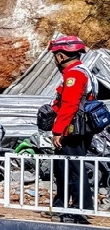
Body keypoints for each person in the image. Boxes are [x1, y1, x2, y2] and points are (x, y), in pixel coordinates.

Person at [49, 35, 95, 212]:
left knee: (74, 169)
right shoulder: (81, 71)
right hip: (75, 129)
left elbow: (69, 104)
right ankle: (62, 205)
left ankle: (80, 208)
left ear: (61, 56)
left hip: (72, 131)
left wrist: (58, 131)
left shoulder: (74, 74)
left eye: (55, 56)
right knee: (63, 168)